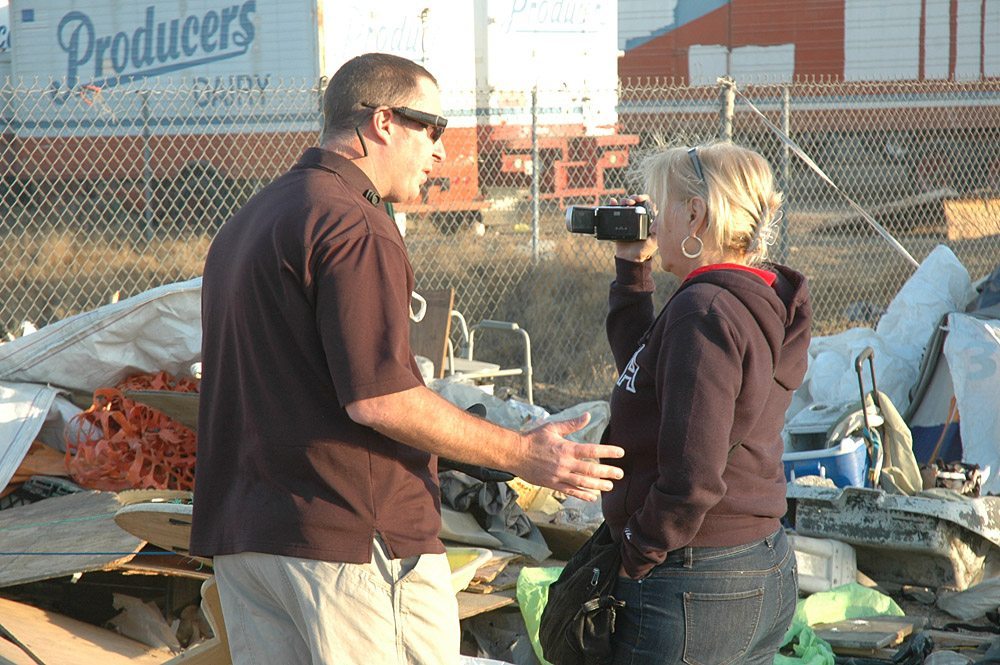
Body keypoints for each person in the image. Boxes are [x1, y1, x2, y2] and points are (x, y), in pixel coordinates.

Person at [189, 52, 625, 665]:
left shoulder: (250, 221)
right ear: (383, 121)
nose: (442, 150)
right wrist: (524, 453)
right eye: (433, 128)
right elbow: (380, 398)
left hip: (248, 540)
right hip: (347, 544)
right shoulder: (353, 224)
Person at [602, 141, 812, 664]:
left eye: (661, 203)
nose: (652, 219)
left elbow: (692, 475)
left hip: (698, 576)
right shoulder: (744, 297)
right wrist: (633, 271)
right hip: (755, 559)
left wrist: (638, 552)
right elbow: (650, 372)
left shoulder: (706, 309)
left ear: (696, 213)